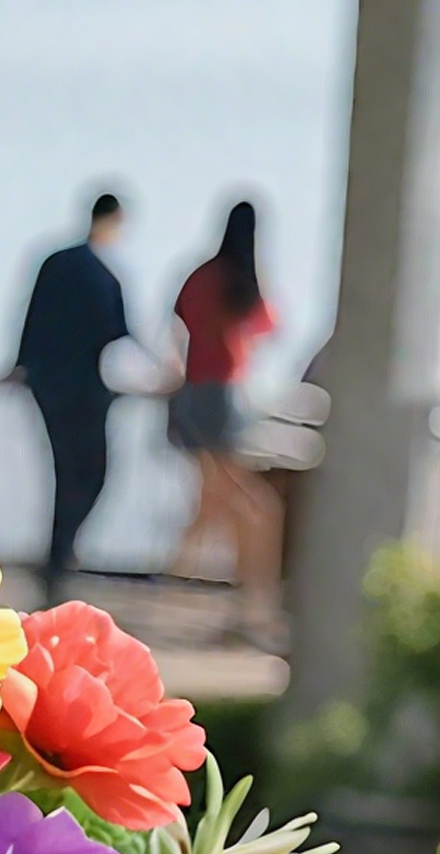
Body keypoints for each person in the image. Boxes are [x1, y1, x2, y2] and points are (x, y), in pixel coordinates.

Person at [166, 201, 282, 638]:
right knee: (256, 508)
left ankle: (174, 586)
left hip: (195, 393)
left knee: (212, 501)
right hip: (226, 396)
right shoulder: (245, 282)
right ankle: (253, 604)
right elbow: (270, 326)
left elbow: (178, 323)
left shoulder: (201, 275)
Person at [13, 191, 132, 601]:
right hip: (85, 387)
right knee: (92, 473)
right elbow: (120, 334)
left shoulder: (56, 263)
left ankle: (58, 554)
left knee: (65, 472)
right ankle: (61, 553)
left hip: (47, 383)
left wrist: (20, 365)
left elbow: (30, 318)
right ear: (115, 220)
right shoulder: (103, 276)